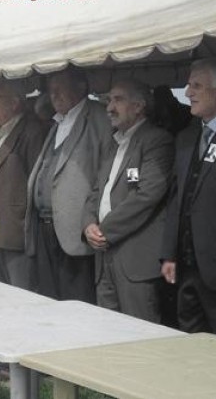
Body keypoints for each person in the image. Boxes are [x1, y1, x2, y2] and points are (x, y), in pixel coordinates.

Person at [82, 79, 174, 322]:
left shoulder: (156, 140)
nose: (110, 107)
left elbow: (148, 195)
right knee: (108, 330)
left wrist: (103, 230)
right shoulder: (113, 143)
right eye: (108, 100)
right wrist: (88, 225)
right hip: (103, 257)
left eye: (118, 100)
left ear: (139, 106)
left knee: (141, 333)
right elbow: (96, 191)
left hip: (135, 260)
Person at [161, 59, 216, 339]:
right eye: (188, 85)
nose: (187, 92)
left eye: (196, 86)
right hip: (187, 266)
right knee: (191, 339)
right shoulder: (186, 137)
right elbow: (176, 198)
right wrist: (169, 253)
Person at [25, 66, 112, 303]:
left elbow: (106, 172)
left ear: (81, 86)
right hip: (44, 226)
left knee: (77, 300)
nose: (53, 95)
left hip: (75, 229)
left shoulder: (99, 117)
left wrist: (92, 218)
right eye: (51, 89)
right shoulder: (57, 122)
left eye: (59, 88)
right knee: (48, 299)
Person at [0, 79, 48, 290]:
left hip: (15, 233)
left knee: (20, 296)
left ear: (15, 102)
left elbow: (37, 181)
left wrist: (23, 220)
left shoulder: (31, 132)